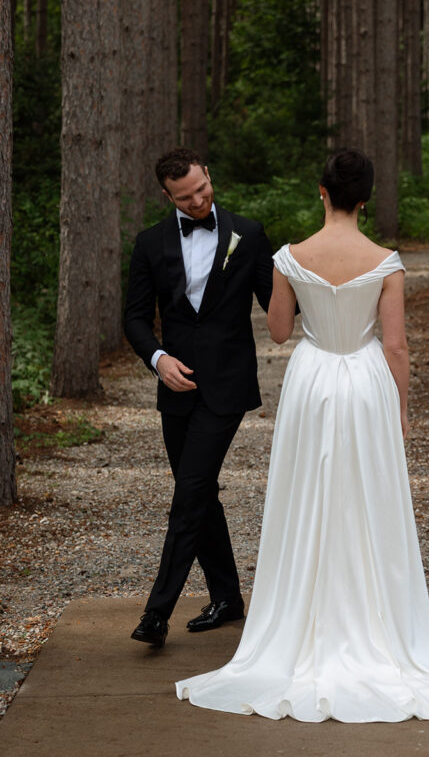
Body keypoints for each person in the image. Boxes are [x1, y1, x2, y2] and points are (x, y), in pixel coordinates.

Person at [175, 149, 429, 722]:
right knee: (369, 499)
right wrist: (403, 410)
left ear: (321, 192)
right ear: (365, 199)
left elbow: (283, 332)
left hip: (313, 382)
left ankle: (300, 621)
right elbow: (395, 346)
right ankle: (375, 621)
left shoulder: (289, 257)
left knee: (307, 496)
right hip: (365, 383)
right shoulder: (385, 261)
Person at [124, 147, 273, 648]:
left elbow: (278, 306)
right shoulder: (150, 243)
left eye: (202, 190)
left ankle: (156, 612)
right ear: (167, 196)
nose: (198, 203)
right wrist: (158, 359)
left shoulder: (248, 235)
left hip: (227, 387)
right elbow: (135, 318)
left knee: (188, 493)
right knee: (200, 491)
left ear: (209, 174)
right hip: (176, 387)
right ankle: (228, 597)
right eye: (185, 198)